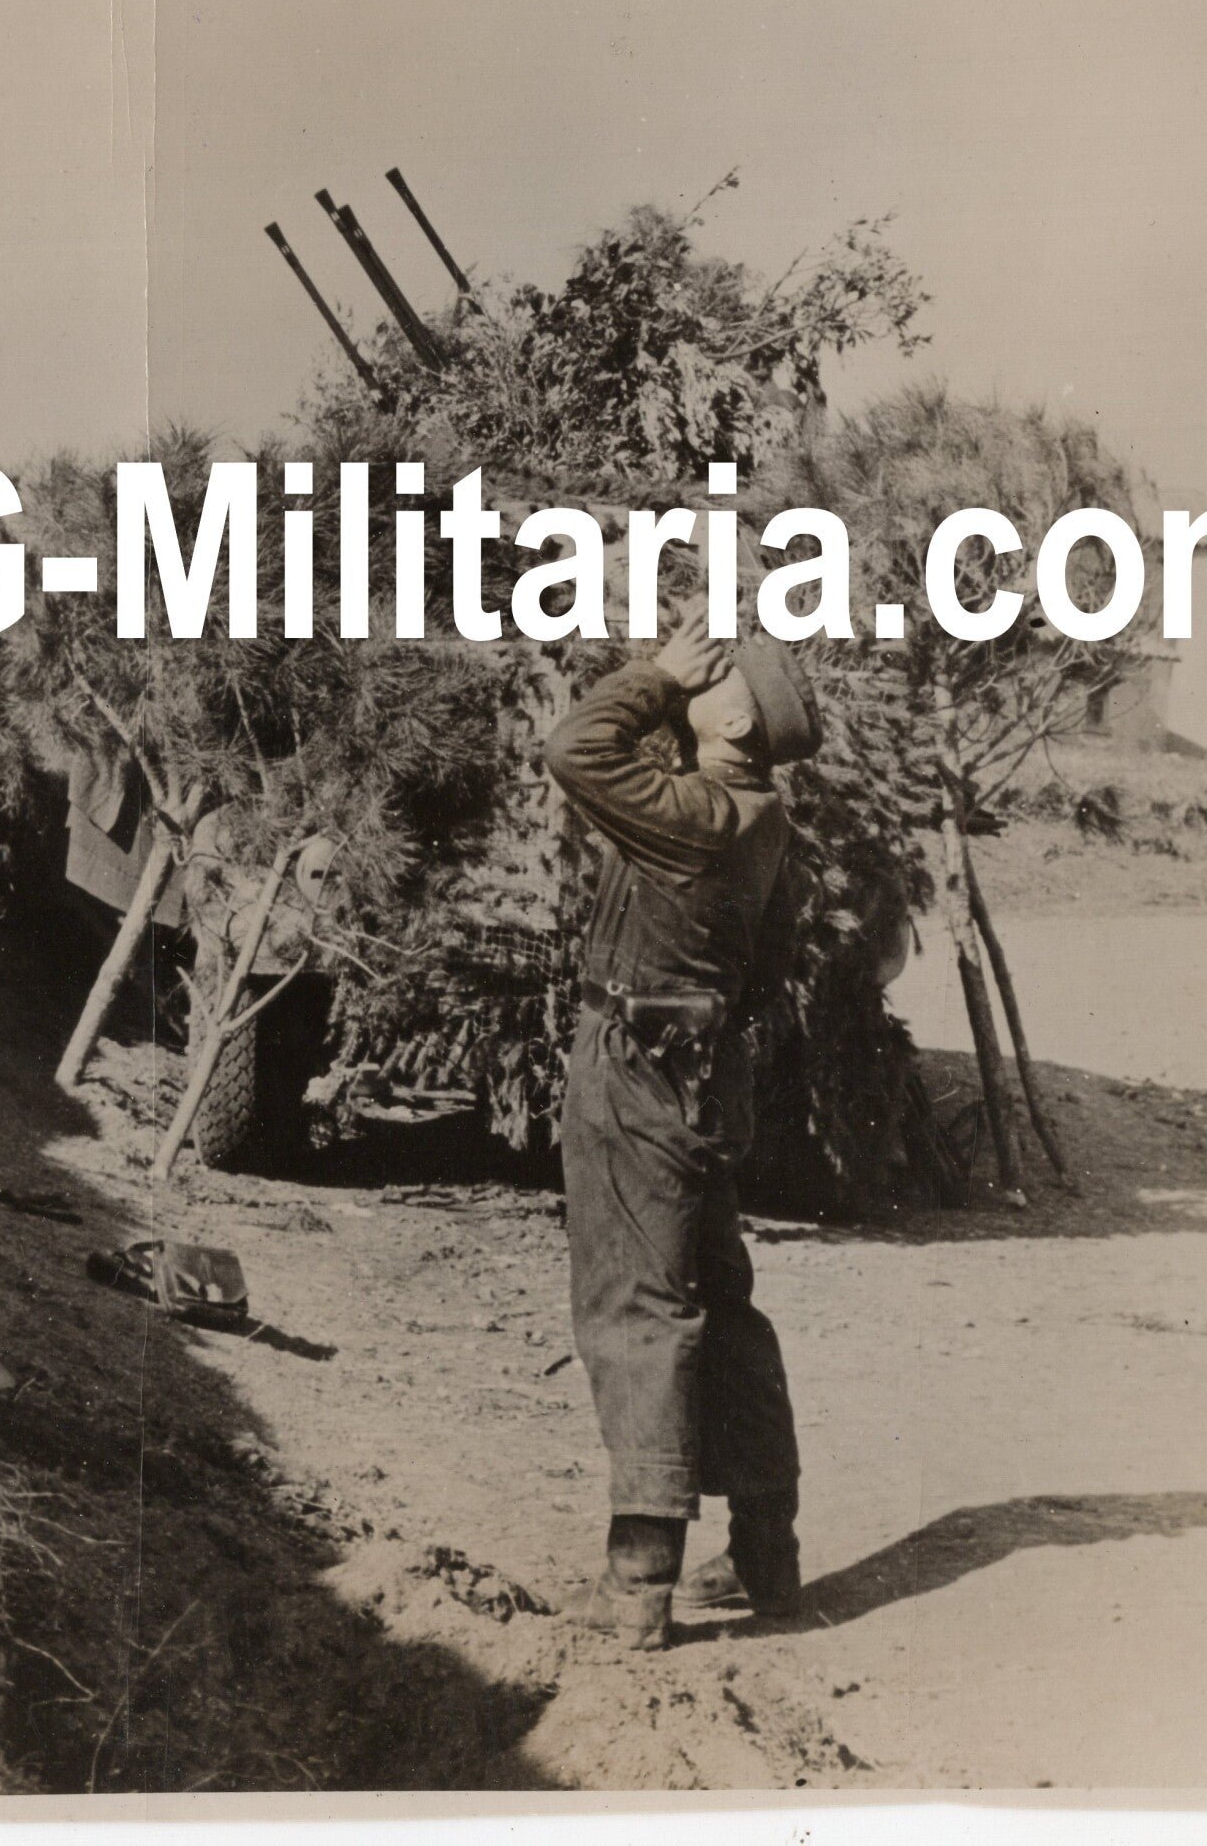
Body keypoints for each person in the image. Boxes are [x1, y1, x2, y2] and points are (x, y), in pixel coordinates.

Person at [544, 604, 821, 1650]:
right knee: (726, 1308)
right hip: (710, 1073)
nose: (702, 670)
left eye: (719, 673)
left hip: (639, 1068)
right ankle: (768, 1558)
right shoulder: (763, 820)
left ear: (737, 723)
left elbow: (575, 748)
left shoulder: (696, 817)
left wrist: (652, 677)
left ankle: (640, 1580)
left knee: (638, 1308)